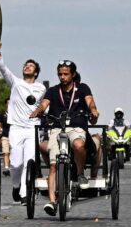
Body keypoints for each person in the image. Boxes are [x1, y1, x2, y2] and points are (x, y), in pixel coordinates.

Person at [31, 59, 98, 217]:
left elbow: (90, 102)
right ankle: (53, 201)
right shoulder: (54, 91)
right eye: (60, 74)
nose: (62, 77)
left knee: (79, 145)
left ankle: (80, 174)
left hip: (77, 127)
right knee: (53, 165)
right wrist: (38, 110)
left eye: (65, 74)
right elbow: (44, 103)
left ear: (73, 74)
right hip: (57, 128)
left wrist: (93, 110)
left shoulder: (82, 88)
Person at [0, 39, 45, 204]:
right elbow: (3, 68)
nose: (27, 67)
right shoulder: (15, 83)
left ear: (36, 72)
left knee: (29, 161)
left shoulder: (41, 88)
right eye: (26, 65)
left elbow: (36, 101)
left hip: (32, 128)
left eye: (31, 66)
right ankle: (16, 186)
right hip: (16, 128)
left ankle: (24, 193)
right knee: (16, 163)